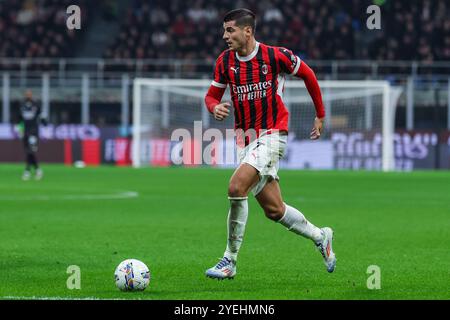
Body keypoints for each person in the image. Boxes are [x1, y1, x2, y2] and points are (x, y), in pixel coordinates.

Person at [204, 8, 336, 279]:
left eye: (230, 30)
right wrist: (214, 107)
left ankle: (229, 260)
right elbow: (211, 96)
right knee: (274, 209)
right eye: (224, 30)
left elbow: (309, 75)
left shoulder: (275, 56)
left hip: (273, 134)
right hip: (245, 140)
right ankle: (320, 236)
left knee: (235, 186)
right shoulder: (225, 61)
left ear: (247, 31)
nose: (224, 35)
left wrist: (320, 115)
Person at [18, 90, 47, 180]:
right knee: (28, 151)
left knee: (31, 151)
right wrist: (19, 129)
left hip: (33, 131)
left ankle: (27, 171)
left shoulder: (36, 104)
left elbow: (42, 116)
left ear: (31, 95)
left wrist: (45, 123)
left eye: (29, 94)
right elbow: (19, 119)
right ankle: (38, 170)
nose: (28, 95)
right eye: (26, 94)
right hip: (25, 131)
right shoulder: (22, 105)